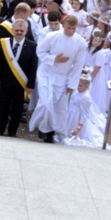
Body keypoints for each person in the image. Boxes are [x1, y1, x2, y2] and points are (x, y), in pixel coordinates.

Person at [29, 15, 87, 143]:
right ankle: (42, 129)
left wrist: (72, 84)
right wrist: (54, 58)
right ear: (63, 25)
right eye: (68, 28)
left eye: (73, 28)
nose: (71, 31)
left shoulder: (81, 42)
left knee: (56, 106)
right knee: (45, 102)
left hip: (63, 77)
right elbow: (40, 51)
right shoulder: (52, 36)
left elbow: (78, 64)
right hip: (47, 73)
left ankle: (48, 132)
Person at [0, 19, 38, 137]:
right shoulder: (4, 43)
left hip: (21, 84)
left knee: (17, 110)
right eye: (16, 30)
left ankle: (12, 132)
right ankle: (0, 130)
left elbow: (33, 67)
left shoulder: (32, 46)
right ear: (12, 30)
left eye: (21, 30)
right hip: (6, 82)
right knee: (3, 107)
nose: (19, 32)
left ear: (26, 31)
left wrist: (31, 85)